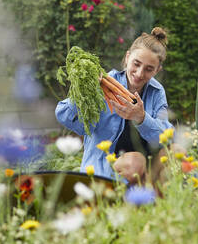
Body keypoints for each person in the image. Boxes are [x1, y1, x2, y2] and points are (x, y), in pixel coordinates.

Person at [55, 27, 173, 187]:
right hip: (105, 170)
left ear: (157, 70)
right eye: (136, 64)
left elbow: (166, 138)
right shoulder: (104, 82)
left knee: (174, 151)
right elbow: (63, 114)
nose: (139, 73)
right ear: (127, 57)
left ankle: (154, 200)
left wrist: (141, 118)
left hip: (144, 175)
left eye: (149, 69)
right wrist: (85, 90)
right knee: (135, 161)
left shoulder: (156, 92)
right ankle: (112, 195)